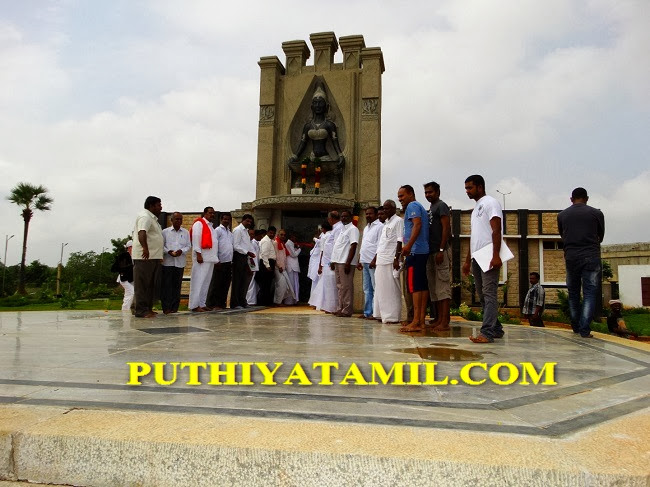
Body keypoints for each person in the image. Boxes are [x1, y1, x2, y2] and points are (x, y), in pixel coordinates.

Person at [557, 187, 605, 338]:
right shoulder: (596, 213)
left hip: (571, 257)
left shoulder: (562, 215)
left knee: (573, 293)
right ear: (587, 198)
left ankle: (576, 326)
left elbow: (562, 236)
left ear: (571, 199)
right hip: (591, 256)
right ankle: (584, 329)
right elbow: (600, 236)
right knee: (590, 293)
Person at [462, 175, 505, 343]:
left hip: (489, 255)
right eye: (466, 188)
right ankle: (496, 328)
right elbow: (475, 237)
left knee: (489, 293)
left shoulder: (490, 203)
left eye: (470, 188)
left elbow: (496, 230)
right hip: (477, 257)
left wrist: (496, 255)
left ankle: (486, 333)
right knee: (481, 295)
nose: (467, 191)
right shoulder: (476, 209)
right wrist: (467, 261)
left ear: (479, 187)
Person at [397, 185, 430, 332]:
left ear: (410, 194)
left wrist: (408, 245)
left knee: (415, 287)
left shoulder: (412, 206)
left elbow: (417, 225)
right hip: (421, 252)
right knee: (421, 286)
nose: (400, 199)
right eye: (399, 197)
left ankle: (416, 320)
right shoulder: (419, 206)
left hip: (416, 252)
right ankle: (421, 320)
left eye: (402, 196)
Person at [424, 181, 452, 331]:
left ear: (438, 192)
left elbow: (446, 228)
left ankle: (444, 321)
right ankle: (438, 318)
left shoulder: (441, 206)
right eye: (426, 193)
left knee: (442, 287)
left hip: (440, 251)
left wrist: (441, 249)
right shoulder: (431, 208)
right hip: (431, 251)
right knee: (434, 287)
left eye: (430, 192)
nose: (428, 195)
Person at [371, 200, 403, 324]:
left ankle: (392, 316)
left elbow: (400, 240)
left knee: (391, 289)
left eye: (388, 208)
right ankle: (380, 314)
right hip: (381, 260)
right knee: (380, 289)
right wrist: (375, 259)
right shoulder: (386, 224)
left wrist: (397, 258)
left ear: (394, 209)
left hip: (390, 260)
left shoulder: (398, 221)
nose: (385, 211)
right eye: (384, 209)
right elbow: (381, 244)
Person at [132, 196, 164, 318]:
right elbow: (142, 233)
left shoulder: (153, 219)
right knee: (143, 284)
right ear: (151, 206)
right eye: (158, 205)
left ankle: (148, 308)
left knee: (150, 285)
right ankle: (140, 310)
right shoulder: (145, 216)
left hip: (153, 257)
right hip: (144, 257)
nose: (161, 207)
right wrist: (145, 248)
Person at [330, 209, 359, 317]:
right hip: (338, 261)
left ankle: (347, 310)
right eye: (342, 216)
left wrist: (348, 262)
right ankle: (340, 308)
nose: (343, 218)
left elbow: (353, 245)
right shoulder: (342, 229)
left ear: (351, 218)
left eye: (346, 216)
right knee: (340, 286)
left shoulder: (353, 229)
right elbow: (338, 246)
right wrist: (333, 261)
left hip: (345, 262)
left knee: (346, 287)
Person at [188, 207, 218, 312]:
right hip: (202, 257)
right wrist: (198, 254)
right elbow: (196, 239)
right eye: (210, 213)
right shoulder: (199, 224)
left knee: (206, 282)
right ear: (204, 213)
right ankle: (194, 305)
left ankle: (202, 303)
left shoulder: (211, 227)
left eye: (213, 213)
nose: (212, 215)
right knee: (198, 281)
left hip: (210, 257)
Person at [161, 212, 191, 314]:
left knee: (177, 286)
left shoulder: (185, 232)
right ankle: (166, 308)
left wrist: (181, 251)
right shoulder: (165, 232)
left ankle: (174, 308)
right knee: (167, 286)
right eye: (177, 219)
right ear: (172, 220)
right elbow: (162, 246)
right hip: (168, 262)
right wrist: (169, 252)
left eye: (180, 219)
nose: (179, 221)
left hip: (179, 262)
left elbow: (188, 246)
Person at [356, 207, 383, 319]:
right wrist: (359, 259)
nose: (367, 216)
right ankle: (367, 312)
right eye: (366, 214)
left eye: (370, 214)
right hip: (365, 261)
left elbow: (380, 245)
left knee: (375, 287)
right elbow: (364, 245)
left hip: (373, 262)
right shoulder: (367, 227)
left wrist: (374, 260)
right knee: (367, 289)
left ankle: (375, 313)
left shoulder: (380, 226)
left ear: (376, 214)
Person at [207, 213, 233, 309]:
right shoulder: (217, 231)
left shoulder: (230, 233)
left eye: (228, 219)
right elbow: (215, 245)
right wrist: (216, 259)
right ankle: (213, 304)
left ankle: (222, 303)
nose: (226, 221)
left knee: (225, 284)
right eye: (225, 219)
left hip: (228, 261)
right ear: (221, 220)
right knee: (216, 284)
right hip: (219, 261)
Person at [310, 222, 337, 313]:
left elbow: (326, 252)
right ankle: (324, 305)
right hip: (325, 263)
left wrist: (323, 264)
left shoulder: (328, 236)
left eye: (321, 229)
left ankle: (330, 307)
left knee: (330, 287)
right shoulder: (326, 236)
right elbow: (323, 251)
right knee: (325, 286)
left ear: (324, 229)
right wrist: (321, 265)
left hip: (329, 264)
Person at [230, 214, 256, 309]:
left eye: (250, 222)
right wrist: (247, 252)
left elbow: (247, 245)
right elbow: (236, 246)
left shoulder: (246, 231)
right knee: (237, 281)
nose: (249, 223)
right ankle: (235, 303)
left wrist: (250, 254)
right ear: (243, 220)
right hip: (238, 257)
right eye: (247, 221)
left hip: (245, 257)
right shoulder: (238, 230)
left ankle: (242, 301)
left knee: (244, 281)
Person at [256, 226, 277, 306]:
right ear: (268, 232)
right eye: (271, 233)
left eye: (273, 233)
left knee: (268, 284)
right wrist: (267, 265)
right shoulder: (265, 241)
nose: (272, 234)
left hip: (270, 262)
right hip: (266, 263)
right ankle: (262, 303)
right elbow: (264, 254)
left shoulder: (270, 241)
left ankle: (266, 302)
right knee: (264, 284)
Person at [273, 229, 295, 305]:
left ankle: (279, 301)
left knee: (285, 286)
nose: (283, 236)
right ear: (278, 235)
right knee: (281, 285)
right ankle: (277, 302)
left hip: (283, 268)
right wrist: (279, 266)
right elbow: (275, 256)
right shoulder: (275, 243)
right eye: (281, 235)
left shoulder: (282, 244)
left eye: (284, 235)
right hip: (278, 268)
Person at [111, 240, 134, 311]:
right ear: (129, 248)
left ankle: (124, 309)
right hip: (124, 278)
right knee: (132, 292)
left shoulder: (134, 256)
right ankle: (126, 310)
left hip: (132, 278)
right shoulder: (123, 256)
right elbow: (115, 267)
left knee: (128, 294)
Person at [246, 229, 263, 306]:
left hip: (256, 266)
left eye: (252, 234)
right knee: (251, 284)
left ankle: (253, 301)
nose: (251, 236)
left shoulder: (255, 243)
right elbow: (250, 257)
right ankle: (250, 301)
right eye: (250, 234)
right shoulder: (251, 243)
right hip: (252, 266)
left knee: (254, 284)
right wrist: (252, 267)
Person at [284, 233, 301, 305]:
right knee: (291, 284)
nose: (295, 238)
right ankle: (290, 301)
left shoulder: (291, 243)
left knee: (294, 284)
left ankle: (294, 300)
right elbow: (293, 254)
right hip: (291, 266)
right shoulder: (289, 243)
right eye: (294, 237)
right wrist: (299, 249)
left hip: (293, 266)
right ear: (291, 237)